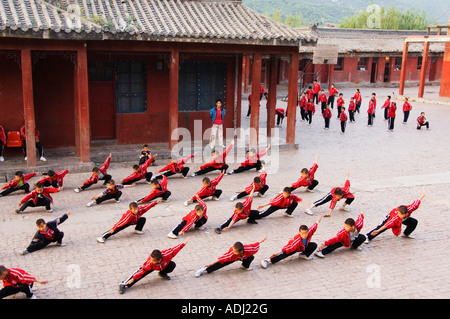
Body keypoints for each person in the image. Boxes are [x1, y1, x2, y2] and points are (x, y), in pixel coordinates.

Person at [119, 241, 188, 294]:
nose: (151, 261)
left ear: (159, 259)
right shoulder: (150, 263)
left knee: (172, 265)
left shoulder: (167, 254)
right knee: (139, 274)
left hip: (162, 266)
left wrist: (183, 244)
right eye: (151, 259)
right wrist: (133, 279)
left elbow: (174, 249)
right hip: (151, 267)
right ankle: (124, 284)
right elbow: (142, 271)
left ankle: (162, 274)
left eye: (153, 260)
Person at [195, 236, 267, 277]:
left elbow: (255, 245)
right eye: (234, 250)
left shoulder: (248, 249)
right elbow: (222, 258)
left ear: (241, 251)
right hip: (233, 258)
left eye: (236, 251)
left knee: (251, 257)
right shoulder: (232, 254)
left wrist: (261, 241)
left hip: (243, 256)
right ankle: (204, 270)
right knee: (221, 263)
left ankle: (245, 266)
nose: (234, 252)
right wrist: (211, 264)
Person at [96, 201, 161, 243]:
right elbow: (121, 222)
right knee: (115, 230)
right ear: (131, 209)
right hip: (127, 222)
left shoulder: (140, 209)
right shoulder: (128, 215)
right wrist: (114, 228)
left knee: (143, 219)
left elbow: (147, 206)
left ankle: (137, 230)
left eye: (137, 209)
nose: (136, 211)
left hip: (135, 220)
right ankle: (102, 237)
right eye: (134, 210)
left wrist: (155, 203)